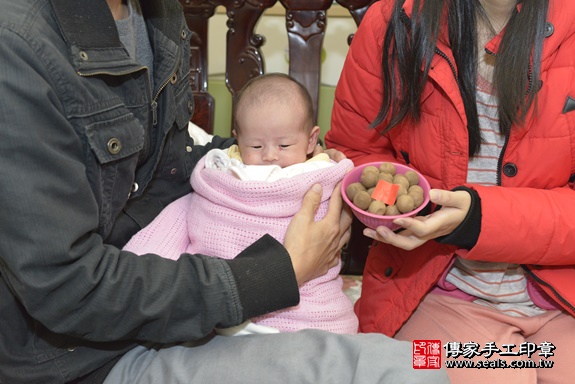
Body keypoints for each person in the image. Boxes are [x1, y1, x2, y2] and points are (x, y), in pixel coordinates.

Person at [0, 0, 451, 383]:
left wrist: (290, 169)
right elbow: (65, 287)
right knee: (393, 368)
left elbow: (174, 154)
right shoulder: (19, 47)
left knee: (434, 358)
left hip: (183, 311)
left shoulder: (156, 14)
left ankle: (510, 358)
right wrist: (278, 273)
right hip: (88, 356)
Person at [325, 0, 575, 383]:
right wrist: (404, 211)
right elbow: (358, 153)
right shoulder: (393, 20)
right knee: (429, 370)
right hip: (429, 292)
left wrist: (478, 220)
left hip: (562, 300)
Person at [123, 73, 359, 335]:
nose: (270, 156)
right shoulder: (220, 174)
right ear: (237, 138)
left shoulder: (321, 173)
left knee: (402, 361)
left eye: (284, 144)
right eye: (256, 145)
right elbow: (187, 219)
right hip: (233, 299)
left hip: (311, 312)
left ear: (312, 140)